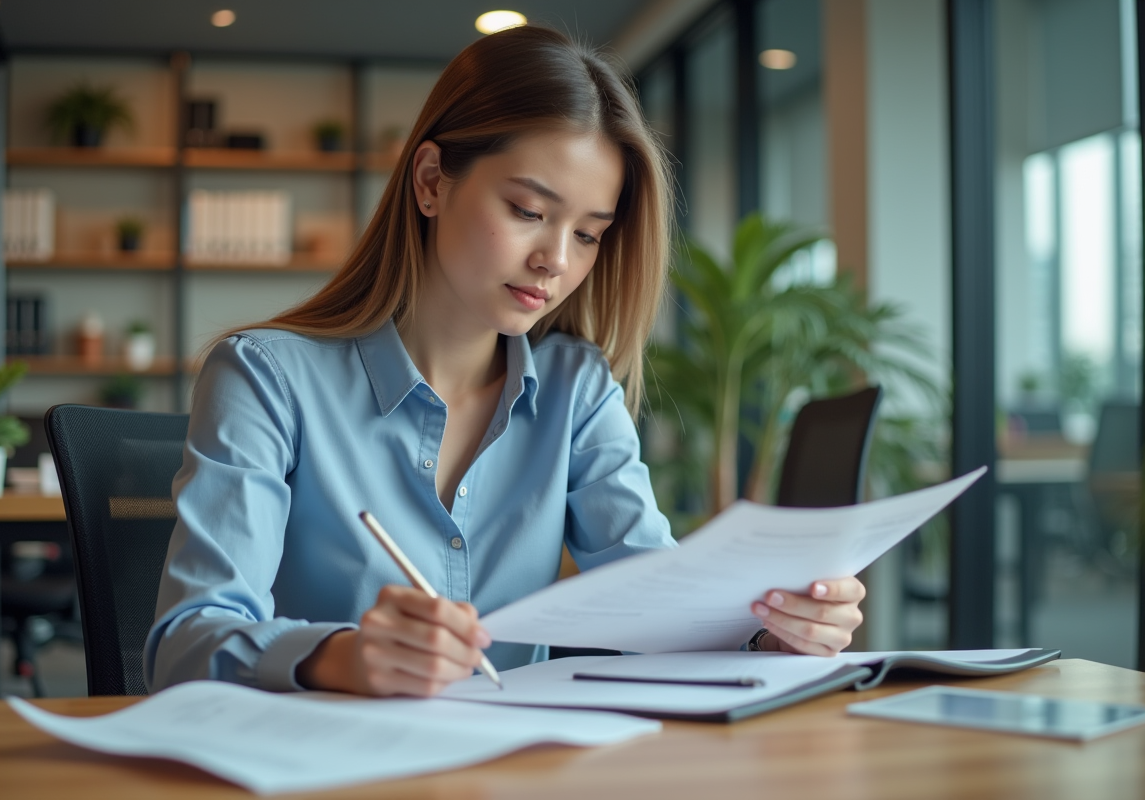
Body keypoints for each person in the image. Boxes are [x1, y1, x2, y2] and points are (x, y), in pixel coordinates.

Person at [145, 25, 865, 698]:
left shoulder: (575, 390)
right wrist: (342, 656)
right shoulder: (266, 379)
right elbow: (184, 644)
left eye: (588, 234)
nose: (555, 259)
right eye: (528, 211)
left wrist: (776, 632)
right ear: (431, 181)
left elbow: (662, 606)